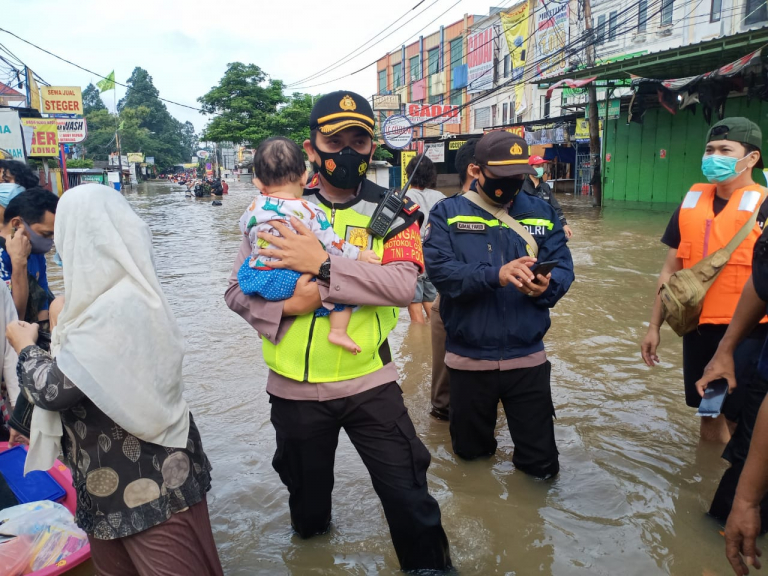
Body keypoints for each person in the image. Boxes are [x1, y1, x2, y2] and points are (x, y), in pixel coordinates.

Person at [225, 91, 452, 572]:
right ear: (311, 150)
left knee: (410, 496)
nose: (347, 151)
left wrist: (326, 266)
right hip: (293, 392)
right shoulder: (274, 210)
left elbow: (406, 284)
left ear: (372, 148)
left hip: (370, 382)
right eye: (334, 140)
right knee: (307, 512)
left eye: (358, 140)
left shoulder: (397, 213)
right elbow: (236, 291)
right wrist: (289, 306)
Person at [7, 183, 223, 576]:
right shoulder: (125, 296)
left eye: (60, 237)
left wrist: (26, 347)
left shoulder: (112, 308)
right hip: (113, 481)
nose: (56, 248)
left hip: (143, 483)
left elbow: (54, 390)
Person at [424, 130, 574, 478]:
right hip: (468, 362)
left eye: (519, 176)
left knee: (541, 467)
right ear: (476, 171)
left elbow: (564, 267)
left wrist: (545, 288)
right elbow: (443, 274)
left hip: (528, 360)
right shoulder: (446, 214)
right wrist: (496, 275)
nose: (511, 184)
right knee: (470, 462)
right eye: (502, 176)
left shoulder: (542, 213)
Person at [641, 117, 768, 443]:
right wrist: (654, 326)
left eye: (726, 149)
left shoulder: (765, 204)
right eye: (710, 149)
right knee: (709, 411)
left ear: (751, 158)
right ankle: (706, 481)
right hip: (699, 329)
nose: (714, 157)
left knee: (743, 419)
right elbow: (670, 271)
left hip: (751, 333)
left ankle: (738, 483)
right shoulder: (690, 203)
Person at [237, 136, 380, 354]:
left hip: (257, 278)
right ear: (304, 177)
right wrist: (359, 256)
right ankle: (338, 331)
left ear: (259, 184)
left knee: (253, 261)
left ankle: (265, 325)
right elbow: (333, 243)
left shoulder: (253, 207)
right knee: (341, 290)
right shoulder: (310, 211)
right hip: (291, 280)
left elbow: (245, 230)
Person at [695, 213, 768, 534]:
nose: (713, 159)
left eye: (724, 155)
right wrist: (725, 348)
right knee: (714, 416)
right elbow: (763, 279)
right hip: (709, 330)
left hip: (753, 340)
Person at [429, 139, 478, 421]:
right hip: (450, 305)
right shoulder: (445, 211)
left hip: (497, 313)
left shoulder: (520, 212)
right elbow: (438, 269)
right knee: (444, 401)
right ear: (475, 170)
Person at [0, 187, 58, 323]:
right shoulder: (3, 257)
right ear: (17, 225)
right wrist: (19, 263)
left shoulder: (35, 252)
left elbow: (42, 302)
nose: (50, 240)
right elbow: (13, 319)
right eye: (45, 234)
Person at [403, 154, 443, 324]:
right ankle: (431, 345)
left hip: (413, 255)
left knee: (414, 307)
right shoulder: (441, 197)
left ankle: (418, 348)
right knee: (432, 303)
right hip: (435, 254)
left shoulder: (405, 196)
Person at [522, 155, 573, 239]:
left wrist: (564, 225)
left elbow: (555, 207)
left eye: (542, 166)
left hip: (542, 233)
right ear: (529, 168)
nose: (541, 169)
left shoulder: (545, 187)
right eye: (537, 166)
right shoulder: (521, 187)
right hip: (525, 232)